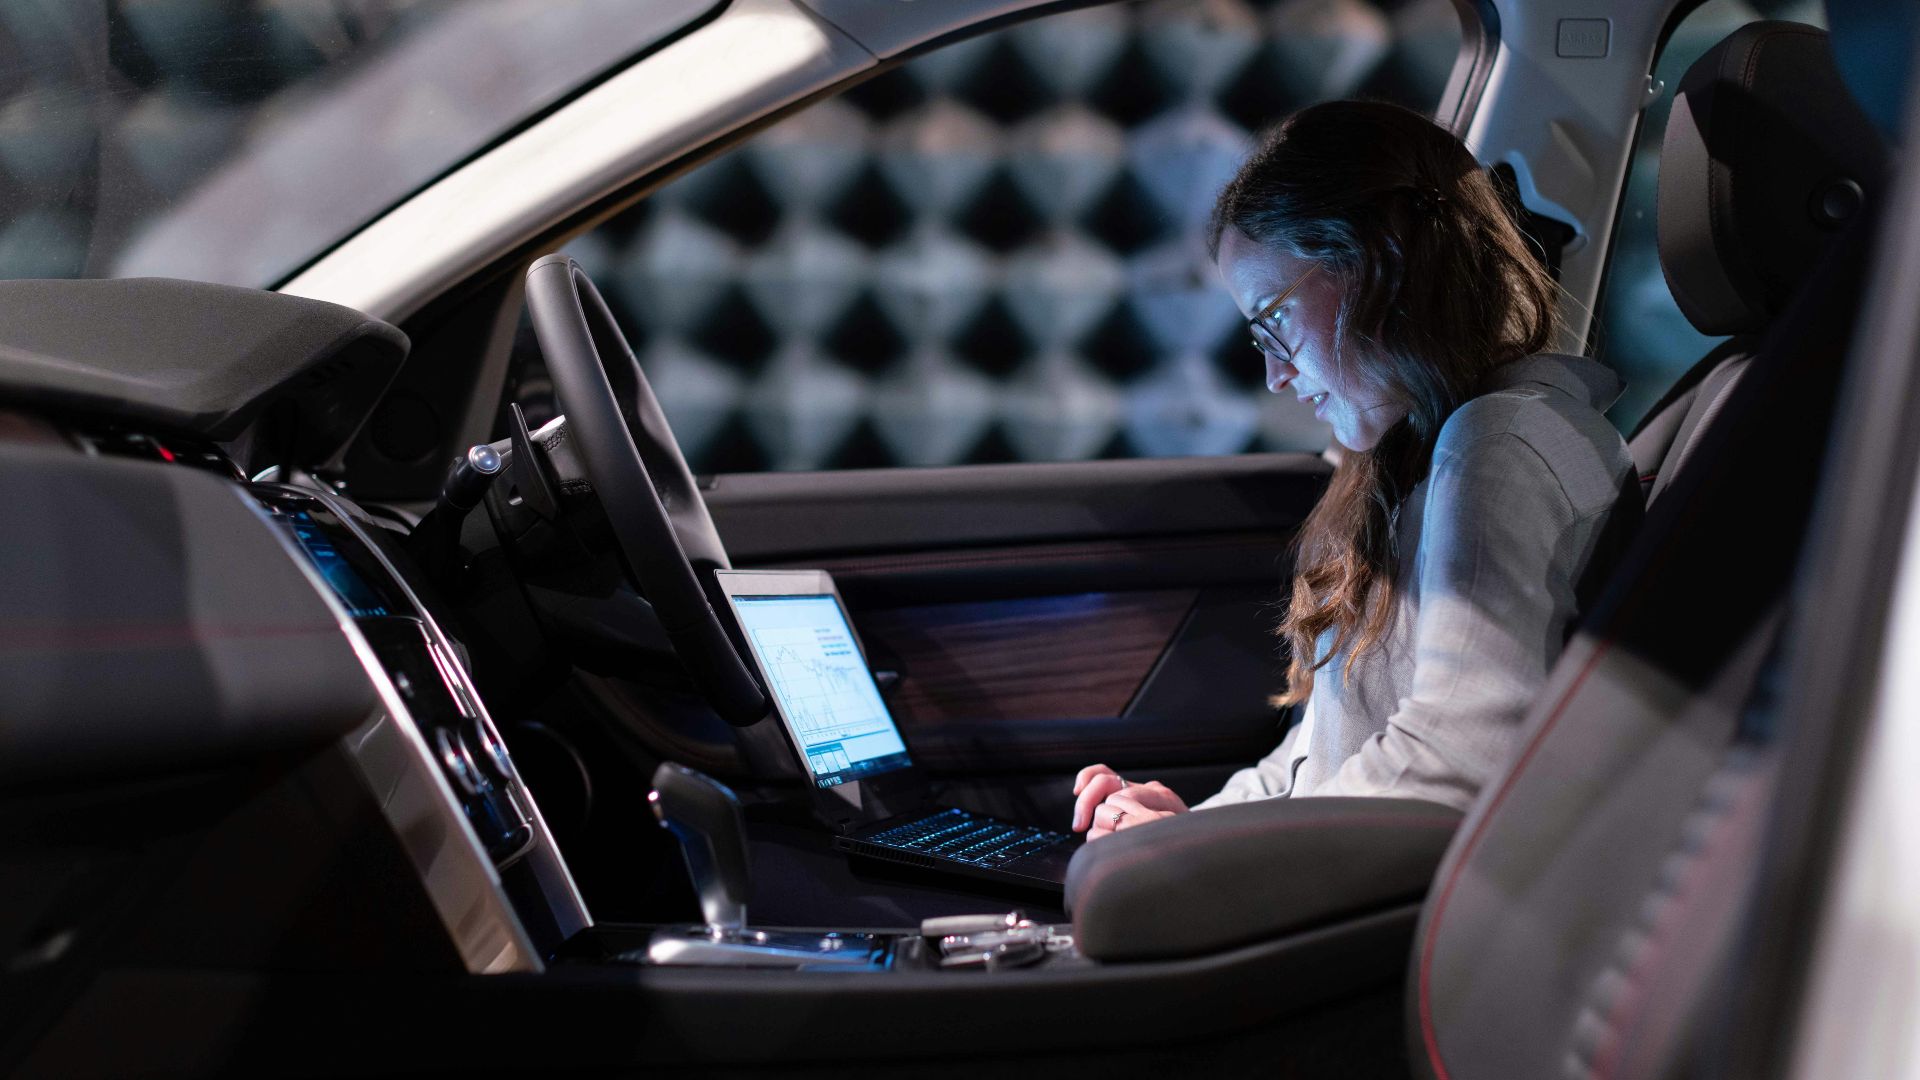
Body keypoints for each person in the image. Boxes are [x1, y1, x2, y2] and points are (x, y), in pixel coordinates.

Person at [1072, 100, 1636, 840]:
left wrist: (1212, 862)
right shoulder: (1408, 460)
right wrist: (1182, 834)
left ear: (1380, 268)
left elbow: (1457, 760)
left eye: (1273, 322)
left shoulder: (1499, 444)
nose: (1274, 375)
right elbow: (1313, 761)